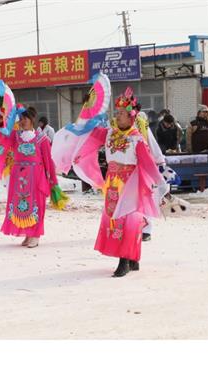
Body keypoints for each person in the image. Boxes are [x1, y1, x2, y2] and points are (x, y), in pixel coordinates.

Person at [53, 87, 167, 278]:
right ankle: (132, 259)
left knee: (129, 221)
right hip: (112, 184)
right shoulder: (109, 134)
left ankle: (125, 260)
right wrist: (87, 111)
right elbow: (88, 132)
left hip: (131, 185)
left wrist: (161, 184)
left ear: (131, 117)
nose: (118, 116)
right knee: (115, 221)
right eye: (117, 112)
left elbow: (148, 164)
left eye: (121, 113)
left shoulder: (137, 139)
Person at [0, 104, 60, 249]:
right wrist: (2, 119)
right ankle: (28, 233)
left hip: (36, 177)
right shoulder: (16, 136)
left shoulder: (42, 139)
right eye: (20, 119)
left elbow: (48, 160)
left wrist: (52, 181)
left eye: (25, 119)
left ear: (32, 120)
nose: (22, 121)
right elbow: (2, 137)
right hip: (19, 178)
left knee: (37, 205)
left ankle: (35, 235)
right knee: (22, 205)